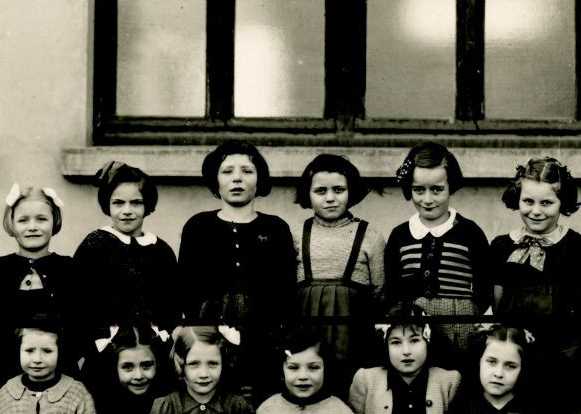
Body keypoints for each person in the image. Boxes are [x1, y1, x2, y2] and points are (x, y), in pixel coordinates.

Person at [382, 142, 490, 354]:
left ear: (451, 186)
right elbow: (392, 288)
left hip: (460, 325)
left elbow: (484, 286)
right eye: (419, 190)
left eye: (437, 190)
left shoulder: (470, 232)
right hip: (415, 329)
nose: (428, 199)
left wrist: (469, 313)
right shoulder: (400, 235)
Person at [291, 153, 387, 385]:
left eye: (338, 190)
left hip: (354, 335)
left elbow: (380, 291)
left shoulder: (370, 236)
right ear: (308, 194)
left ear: (351, 191)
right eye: (321, 191)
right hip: (307, 334)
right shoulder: (295, 235)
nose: (330, 198)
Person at [178, 139, 295, 324]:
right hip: (208, 335)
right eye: (227, 171)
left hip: (262, 334)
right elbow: (186, 287)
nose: (237, 178)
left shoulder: (276, 228)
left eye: (247, 171)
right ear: (215, 179)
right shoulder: (198, 226)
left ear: (259, 179)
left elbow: (285, 290)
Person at [71, 162, 180, 359]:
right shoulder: (95, 245)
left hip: (153, 349)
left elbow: (172, 301)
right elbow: (79, 301)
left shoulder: (161, 250)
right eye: (118, 203)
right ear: (107, 204)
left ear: (148, 205)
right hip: (107, 350)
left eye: (136, 203)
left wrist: (164, 335)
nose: (127, 210)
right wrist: (94, 343)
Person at [489, 157, 581, 343]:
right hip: (515, 349)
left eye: (546, 203)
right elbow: (498, 304)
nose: (536, 211)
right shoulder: (502, 247)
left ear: (562, 202)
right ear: (518, 199)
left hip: (565, 348)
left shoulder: (579, 248)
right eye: (528, 201)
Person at [0, 184, 74, 391]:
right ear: (12, 224)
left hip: (59, 369)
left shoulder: (68, 268)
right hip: (5, 369)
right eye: (23, 220)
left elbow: (78, 321)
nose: (33, 226)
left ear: (54, 221)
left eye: (41, 219)